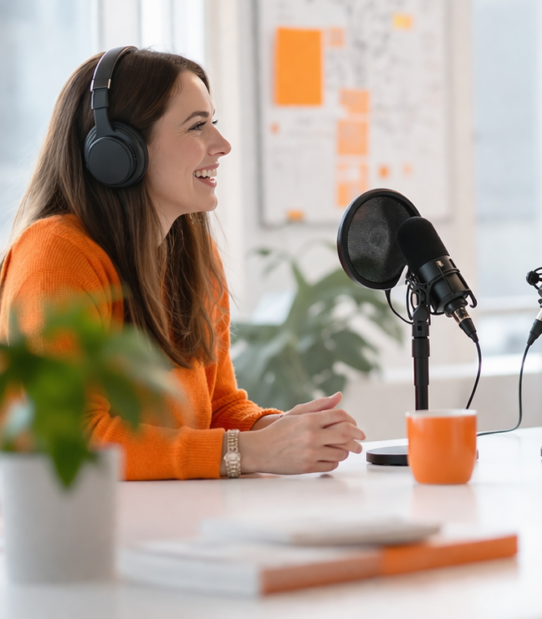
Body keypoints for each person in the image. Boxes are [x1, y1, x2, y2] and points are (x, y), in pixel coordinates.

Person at [0, 47, 366, 480]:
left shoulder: (192, 255)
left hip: (177, 520)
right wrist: (248, 451)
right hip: (85, 532)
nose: (222, 144)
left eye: (214, 122)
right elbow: (67, 435)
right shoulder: (56, 256)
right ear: (119, 152)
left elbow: (219, 407)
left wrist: (275, 431)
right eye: (197, 126)